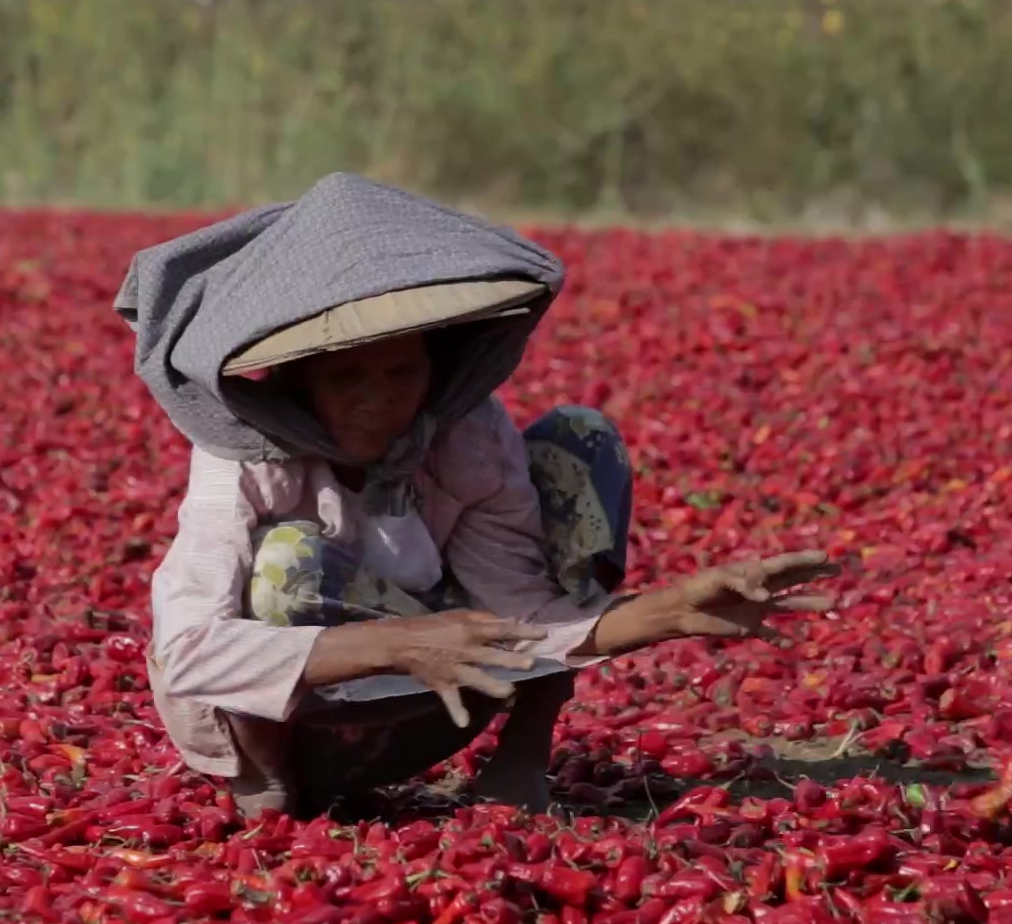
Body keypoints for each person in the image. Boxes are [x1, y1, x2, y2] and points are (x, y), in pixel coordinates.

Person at [115, 173, 839, 818]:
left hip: (440, 704)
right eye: (347, 381)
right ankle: (265, 779)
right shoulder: (240, 462)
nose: (381, 403)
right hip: (299, 726)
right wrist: (394, 643)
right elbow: (186, 654)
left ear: (435, 365)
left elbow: (522, 616)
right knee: (285, 561)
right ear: (299, 383)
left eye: (402, 372)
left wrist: (668, 611)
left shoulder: (466, 438)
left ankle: (522, 755)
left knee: (577, 444)